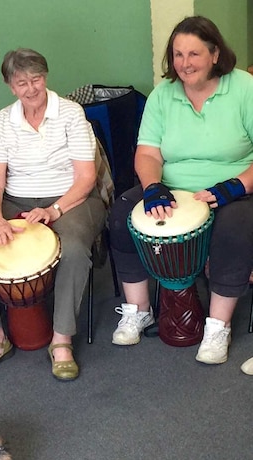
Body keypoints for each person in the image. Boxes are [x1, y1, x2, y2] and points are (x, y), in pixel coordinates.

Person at [0, 48, 106, 381]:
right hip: (15, 198)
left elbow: (86, 178)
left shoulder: (70, 113)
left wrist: (55, 209)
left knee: (75, 249)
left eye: (36, 79)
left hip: (71, 198)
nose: (31, 88)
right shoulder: (4, 120)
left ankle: (62, 339)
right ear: (11, 86)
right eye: (22, 82)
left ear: (45, 77)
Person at [108, 16, 253, 365]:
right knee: (121, 215)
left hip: (235, 189)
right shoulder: (163, 95)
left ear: (215, 53)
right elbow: (147, 153)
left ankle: (218, 326)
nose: (185, 63)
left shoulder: (244, 88)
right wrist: (153, 185)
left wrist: (237, 185)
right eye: (177, 54)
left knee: (233, 229)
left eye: (194, 54)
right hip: (173, 188)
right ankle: (138, 309)